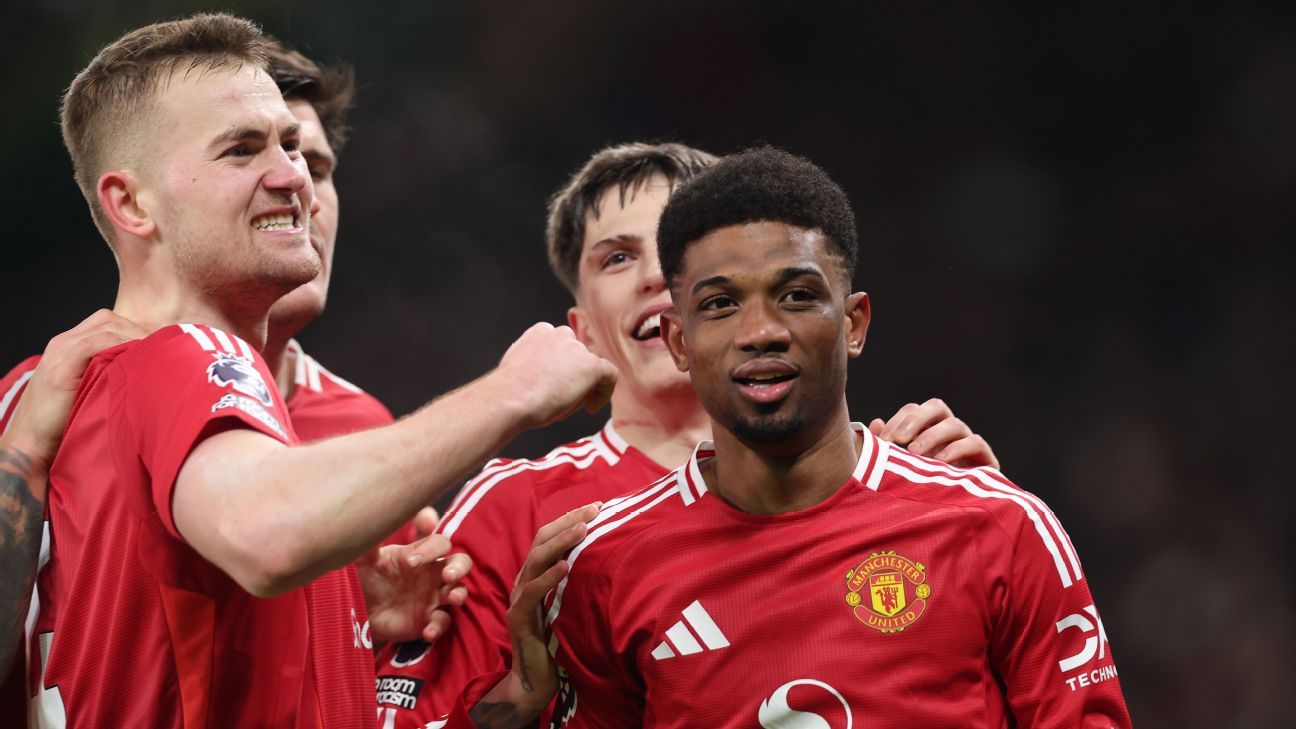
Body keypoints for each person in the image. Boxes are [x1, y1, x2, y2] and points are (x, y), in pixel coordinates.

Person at [27, 13, 614, 726]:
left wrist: (330, 604)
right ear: (130, 203)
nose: (293, 177)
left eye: (292, 148)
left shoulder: (67, 391)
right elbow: (266, 533)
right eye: (241, 150)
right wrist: (515, 390)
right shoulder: (184, 356)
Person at [374, 143, 1001, 728]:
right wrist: (515, 699)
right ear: (584, 329)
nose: (655, 276)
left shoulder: (903, 479)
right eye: (617, 258)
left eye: (671, 250)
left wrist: (978, 516)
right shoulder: (513, 509)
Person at [540, 146, 1131, 727]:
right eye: (721, 304)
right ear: (678, 342)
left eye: (796, 296)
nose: (760, 331)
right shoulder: (605, 568)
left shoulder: (999, 527)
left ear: (853, 324)